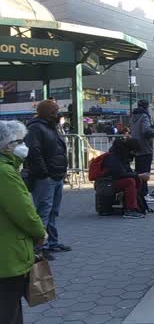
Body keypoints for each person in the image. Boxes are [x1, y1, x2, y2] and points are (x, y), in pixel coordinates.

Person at [0, 121, 47, 324]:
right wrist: (40, 232)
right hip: (8, 254)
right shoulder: (5, 173)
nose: (23, 146)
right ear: (6, 145)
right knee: (8, 309)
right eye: (19, 141)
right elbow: (23, 211)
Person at [23, 99, 70, 261]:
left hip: (55, 175)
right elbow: (34, 152)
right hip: (47, 177)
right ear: (49, 113)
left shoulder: (50, 126)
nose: (59, 114)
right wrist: (44, 173)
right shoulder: (37, 127)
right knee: (43, 212)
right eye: (56, 111)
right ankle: (38, 248)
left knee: (52, 212)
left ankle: (52, 242)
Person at [101, 138, 150, 219]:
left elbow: (127, 171)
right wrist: (138, 175)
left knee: (136, 180)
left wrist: (138, 175)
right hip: (107, 183)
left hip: (114, 181)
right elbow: (120, 174)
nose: (134, 155)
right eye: (133, 152)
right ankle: (130, 210)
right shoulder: (113, 157)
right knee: (130, 181)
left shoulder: (122, 156)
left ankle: (137, 204)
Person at [131, 100, 154, 204]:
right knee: (145, 172)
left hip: (137, 147)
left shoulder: (134, 116)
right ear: (146, 107)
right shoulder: (144, 116)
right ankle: (144, 194)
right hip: (145, 147)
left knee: (139, 171)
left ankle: (139, 192)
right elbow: (146, 130)